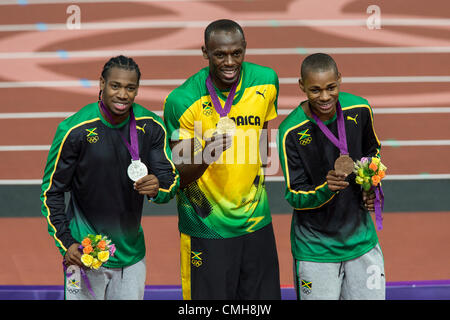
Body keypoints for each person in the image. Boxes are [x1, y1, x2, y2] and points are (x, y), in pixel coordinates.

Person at [40, 55, 179, 300]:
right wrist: (66, 242)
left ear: (137, 89)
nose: (123, 95)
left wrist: (158, 188)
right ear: (102, 83)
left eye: (130, 88)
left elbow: (169, 182)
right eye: (116, 86)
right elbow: (51, 192)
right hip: (83, 254)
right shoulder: (74, 130)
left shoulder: (151, 127)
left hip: (131, 257)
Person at [163, 19, 281, 300]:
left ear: (244, 49)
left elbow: (263, 140)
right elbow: (179, 175)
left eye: (236, 53)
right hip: (206, 228)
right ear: (205, 53)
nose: (229, 62)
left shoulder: (266, 81)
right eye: (220, 54)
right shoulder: (182, 101)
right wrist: (208, 153)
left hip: (256, 222)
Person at [277, 53, 385, 300]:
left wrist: (372, 185)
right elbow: (295, 194)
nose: (324, 97)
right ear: (302, 86)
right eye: (315, 90)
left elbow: (373, 153)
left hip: (361, 242)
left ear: (339, 80)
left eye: (330, 87)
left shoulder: (360, 109)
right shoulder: (291, 131)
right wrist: (326, 189)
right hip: (316, 249)